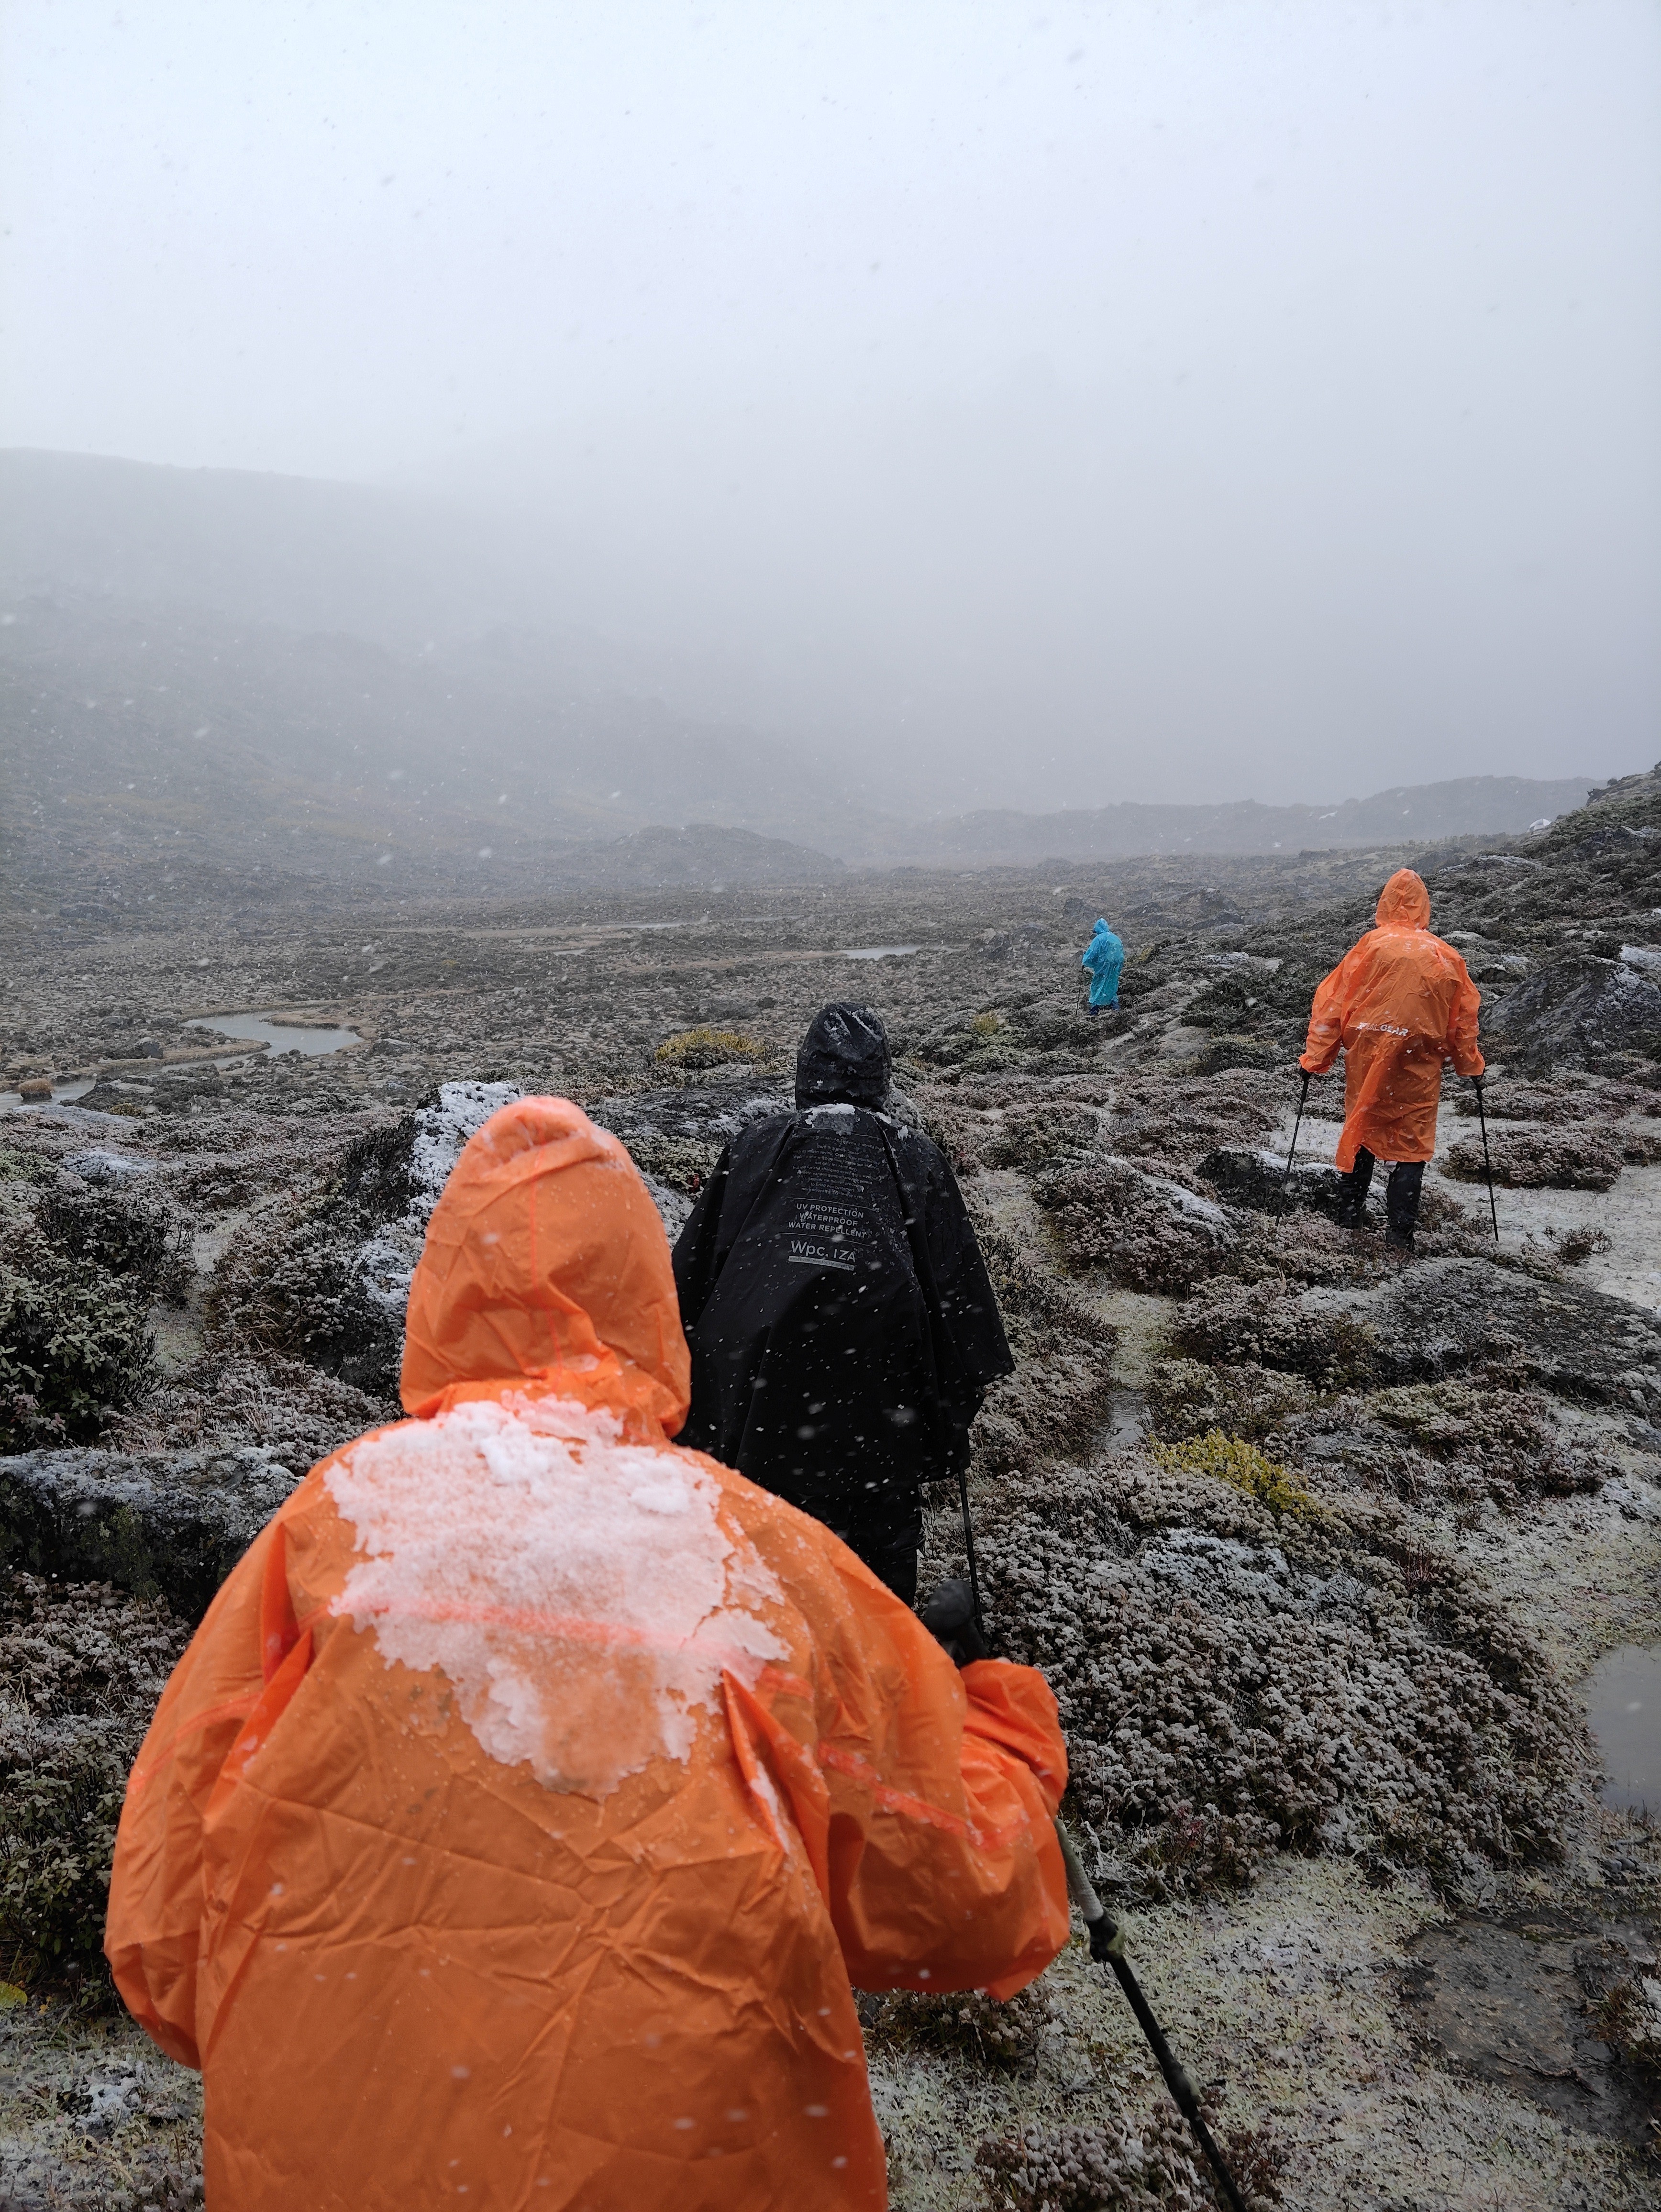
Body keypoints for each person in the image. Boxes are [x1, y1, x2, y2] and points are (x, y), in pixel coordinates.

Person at [105, 1097, 1069, 2212]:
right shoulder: (751, 1558)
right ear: (646, 1297)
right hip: (687, 2170)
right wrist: (1008, 1733)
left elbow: (166, 1937)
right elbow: (963, 1891)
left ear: (443, 1291)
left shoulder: (333, 1525)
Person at [672, 1005, 1012, 1606]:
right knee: (873, 1585)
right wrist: (946, 1414)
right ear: (880, 1076)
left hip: (751, 1408)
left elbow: (687, 1287)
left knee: (756, 1572)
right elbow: (964, 1315)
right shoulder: (915, 1156)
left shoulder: (755, 1146)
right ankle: (875, 1663)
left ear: (806, 1071)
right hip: (881, 1421)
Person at [1299, 867, 1484, 1253]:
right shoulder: (1444, 954)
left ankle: (1348, 1222)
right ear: (1424, 908)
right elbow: (1463, 1020)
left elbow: (1331, 1007)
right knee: (1412, 1143)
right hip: (1418, 1060)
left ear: (1384, 904)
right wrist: (1469, 1066)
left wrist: (1316, 1060)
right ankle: (1400, 1239)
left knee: (1362, 1124)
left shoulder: (1369, 947)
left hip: (1367, 1053)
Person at [1081, 918, 1125, 1013]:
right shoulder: (1115, 938)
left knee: (1098, 984)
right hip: (1115, 966)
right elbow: (1121, 953)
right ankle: (1115, 1008)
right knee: (1112, 984)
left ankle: (1094, 1010)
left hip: (1103, 965)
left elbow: (1091, 953)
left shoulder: (1099, 939)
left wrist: (1085, 961)